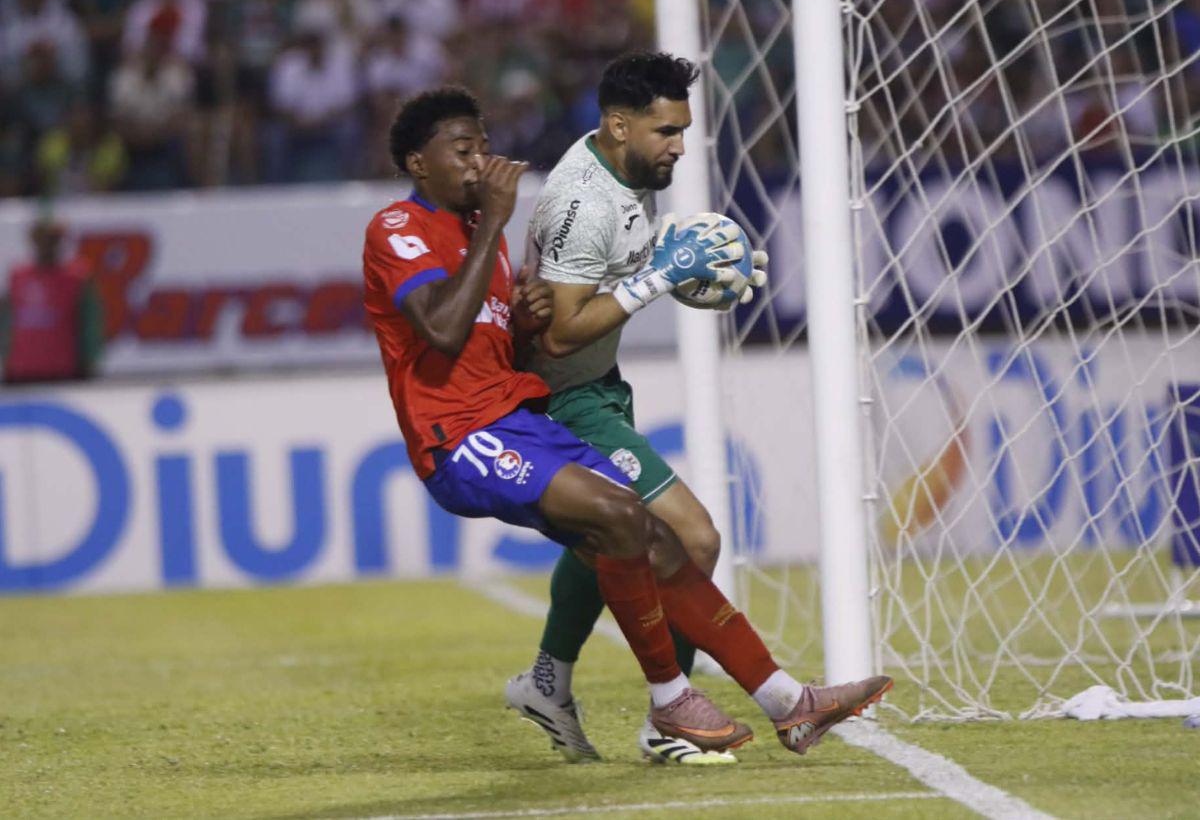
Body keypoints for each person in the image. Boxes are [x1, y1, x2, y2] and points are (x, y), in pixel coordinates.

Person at [362, 86, 891, 761]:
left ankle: (789, 703)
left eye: (485, 147)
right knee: (618, 514)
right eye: (463, 151)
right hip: (459, 438)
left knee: (657, 536)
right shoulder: (397, 227)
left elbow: (491, 337)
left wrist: (523, 314)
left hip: (516, 417)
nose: (481, 162)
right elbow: (439, 330)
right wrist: (496, 222)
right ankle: (670, 702)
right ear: (418, 163)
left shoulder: (475, 236)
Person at [504, 50, 772, 764]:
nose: (680, 146)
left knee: (605, 539)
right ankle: (669, 717)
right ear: (619, 126)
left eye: (682, 130)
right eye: (666, 132)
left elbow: (609, 275)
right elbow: (560, 335)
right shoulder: (582, 202)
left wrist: (694, 263)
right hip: (563, 397)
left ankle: (546, 679)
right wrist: (660, 275)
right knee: (695, 538)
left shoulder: (624, 170)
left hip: (598, 384)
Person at [1, 217, 104, 384]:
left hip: (63, 371)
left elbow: (91, 323)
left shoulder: (76, 277)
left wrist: (90, 361)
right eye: (41, 239)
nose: (46, 245)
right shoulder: (18, 276)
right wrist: (5, 359)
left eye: (52, 239)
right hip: (20, 372)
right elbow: (6, 321)